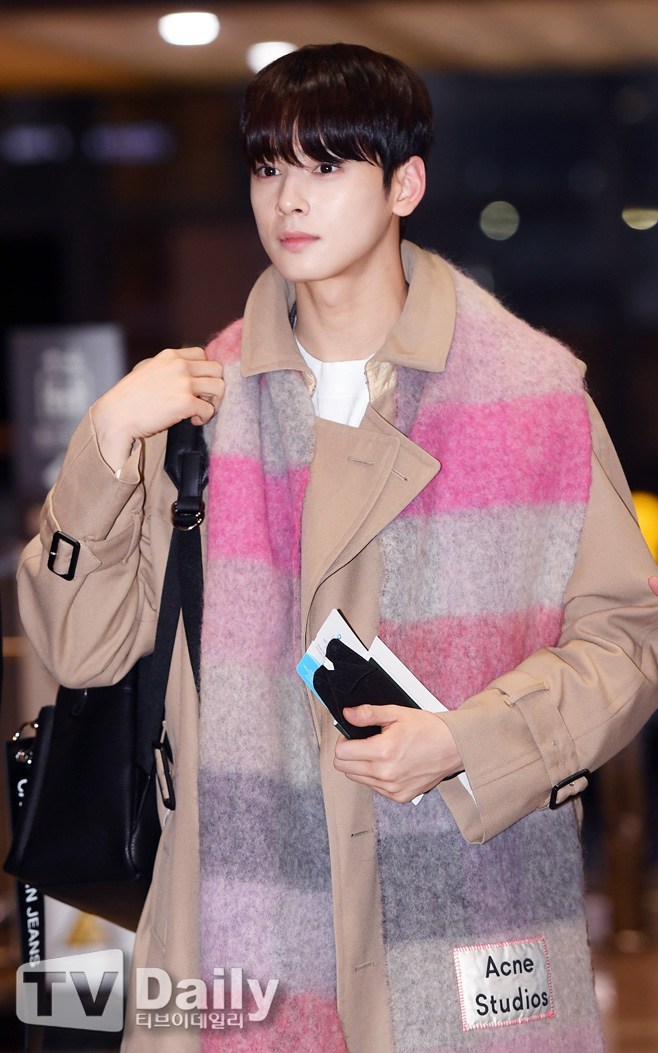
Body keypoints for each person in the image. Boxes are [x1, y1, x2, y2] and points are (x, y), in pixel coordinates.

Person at [17, 43, 658, 1053]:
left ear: (405, 184)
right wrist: (103, 444)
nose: (289, 199)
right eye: (268, 166)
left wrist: (470, 740)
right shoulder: (199, 408)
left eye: (325, 165)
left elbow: (628, 641)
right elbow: (80, 648)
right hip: (241, 925)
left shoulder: (532, 396)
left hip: (469, 914)